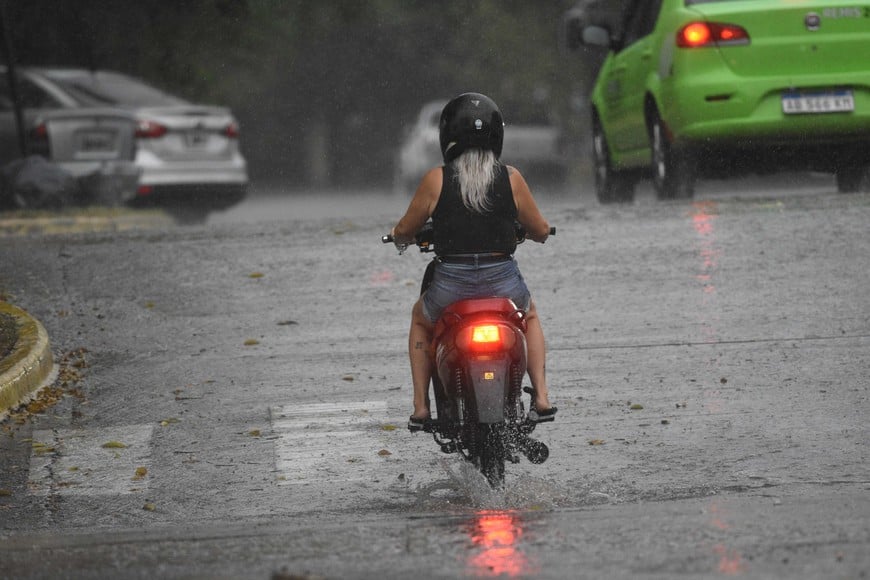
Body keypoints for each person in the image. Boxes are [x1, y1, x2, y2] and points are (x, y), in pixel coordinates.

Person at [390, 92, 556, 430]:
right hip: (503, 283)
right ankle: (541, 397)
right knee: (531, 315)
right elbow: (538, 229)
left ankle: (421, 407)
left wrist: (400, 237)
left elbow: (407, 228)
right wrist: (538, 233)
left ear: (446, 136)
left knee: (420, 320)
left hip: (451, 286)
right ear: (497, 135)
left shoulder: (436, 179)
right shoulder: (512, 178)